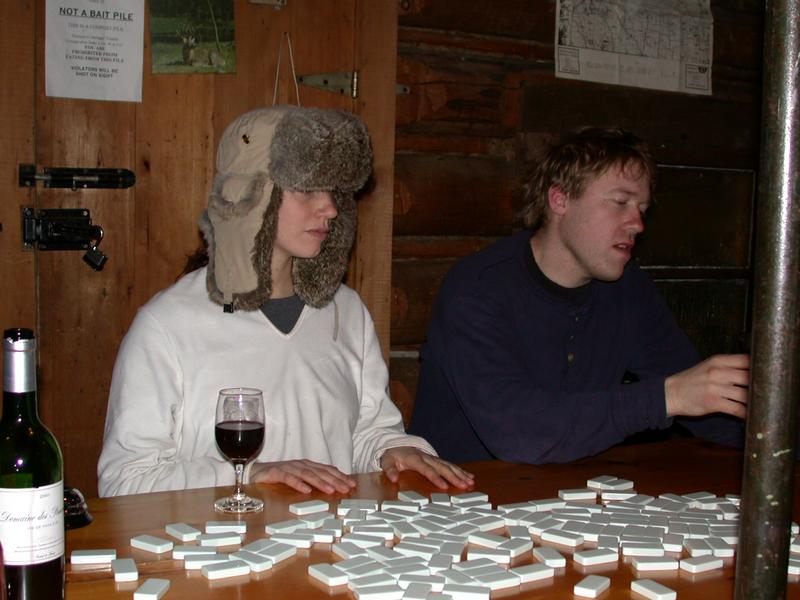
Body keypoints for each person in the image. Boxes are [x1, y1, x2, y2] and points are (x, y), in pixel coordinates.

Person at [98, 105, 474, 497]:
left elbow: (367, 431)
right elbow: (124, 479)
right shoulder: (167, 325)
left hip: (333, 547)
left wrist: (393, 450)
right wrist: (252, 475)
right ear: (250, 195)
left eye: (334, 192)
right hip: (220, 551)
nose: (329, 208)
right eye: (307, 189)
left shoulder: (346, 312)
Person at [409, 127, 749, 464]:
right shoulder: (477, 289)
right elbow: (521, 434)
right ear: (560, 200)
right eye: (620, 203)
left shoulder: (628, 290)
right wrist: (667, 397)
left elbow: (706, 408)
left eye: (642, 209)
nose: (637, 224)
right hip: (463, 504)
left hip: (570, 499)